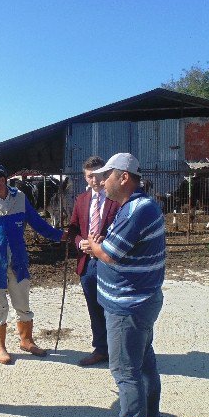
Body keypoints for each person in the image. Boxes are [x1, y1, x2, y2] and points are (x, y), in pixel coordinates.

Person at [87, 153, 165, 417]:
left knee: (125, 373)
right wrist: (101, 246)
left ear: (123, 177)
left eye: (106, 175)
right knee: (144, 365)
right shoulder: (138, 206)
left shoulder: (136, 210)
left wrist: (93, 246)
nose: (101, 180)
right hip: (138, 301)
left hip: (127, 306)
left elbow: (110, 254)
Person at [0, 163, 68, 364]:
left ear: (1, 180)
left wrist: (61, 236)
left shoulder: (20, 199)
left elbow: (38, 224)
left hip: (17, 261)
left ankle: (26, 341)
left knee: (22, 303)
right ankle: (0, 346)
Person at [67, 156, 120, 366]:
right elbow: (72, 230)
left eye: (98, 175)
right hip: (87, 263)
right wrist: (81, 243)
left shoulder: (117, 200)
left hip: (109, 261)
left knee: (113, 307)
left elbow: (124, 229)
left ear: (105, 174)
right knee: (94, 307)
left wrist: (105, 242)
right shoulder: (81, 200)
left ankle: (118, 351)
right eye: (90, 176)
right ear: (85, 178)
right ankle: (101, 349)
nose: (95, 180)